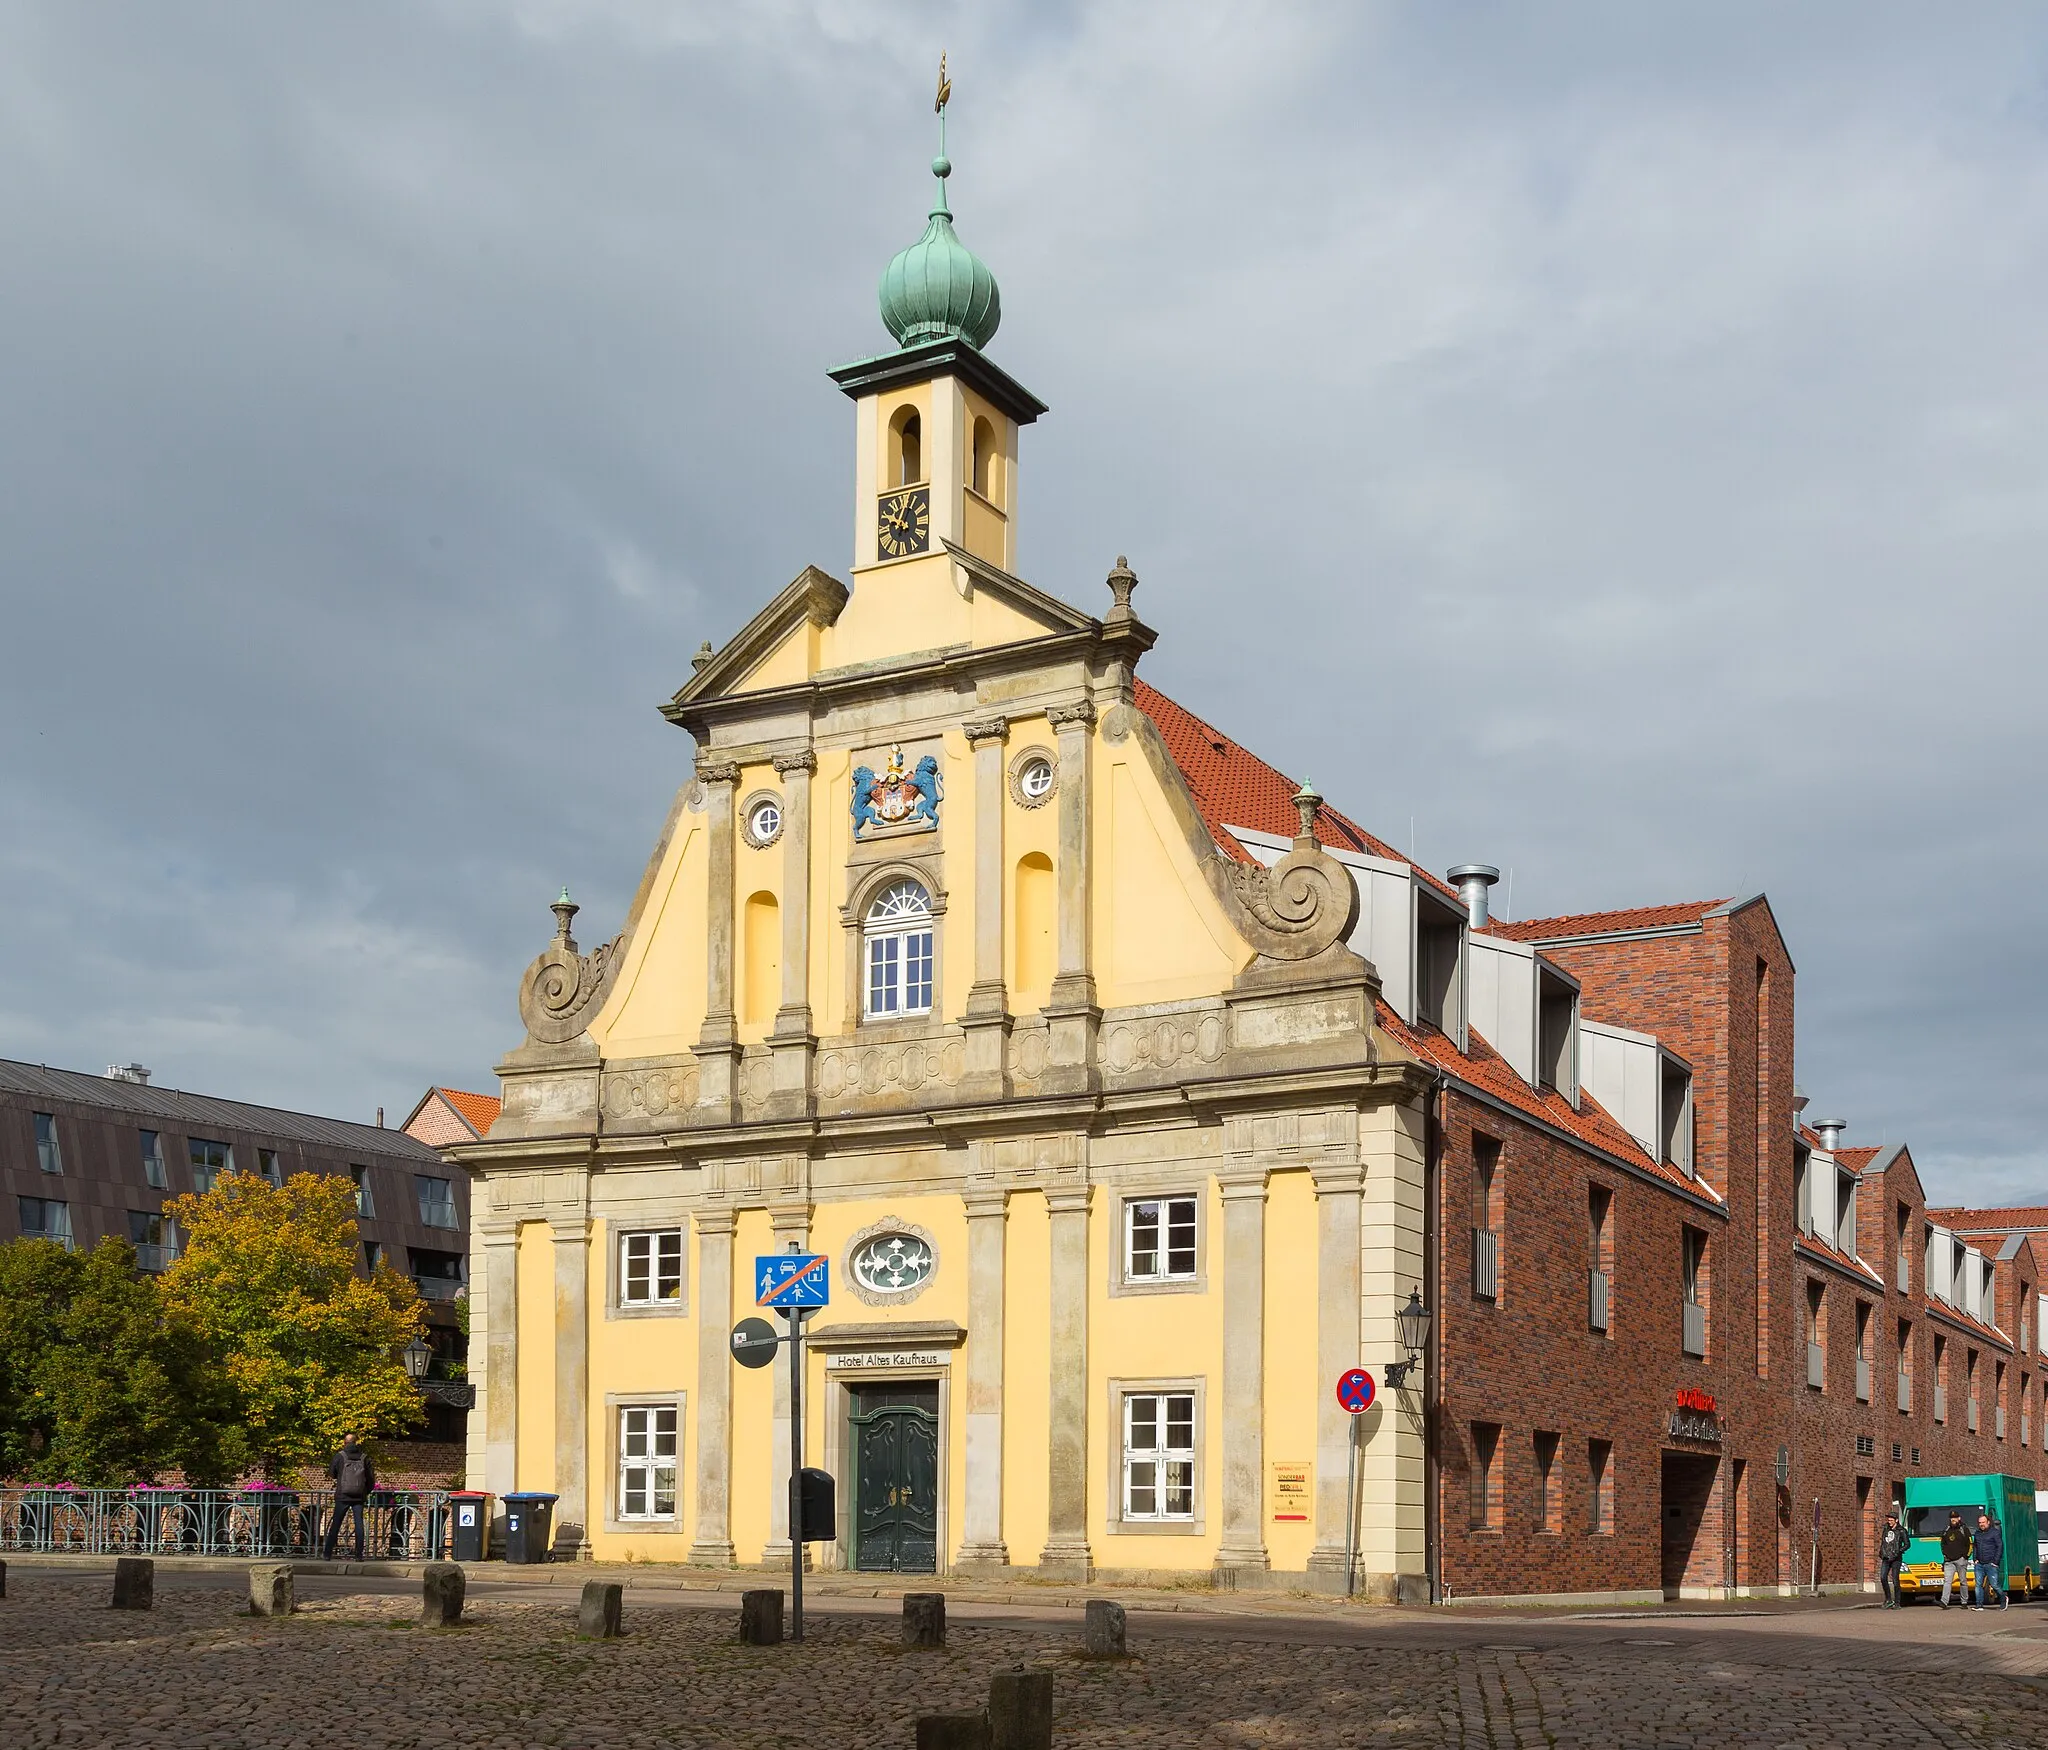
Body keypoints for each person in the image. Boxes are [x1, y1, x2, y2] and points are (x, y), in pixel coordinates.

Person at [322, 1433, 376, 1561]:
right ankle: (358, 1555)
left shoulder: (340, 1456)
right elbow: (371, 1480)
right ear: (356, 1442)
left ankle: (327, 1554)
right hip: (358, 1497)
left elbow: (332, 1474)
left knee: (336, 1524)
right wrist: (364, 1491)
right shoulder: (364, 1457)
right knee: (359, 1525)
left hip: (342, 1495)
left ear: (344, 1443)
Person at [1974, 1511, 2007, 1611]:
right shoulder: (1977, 1533)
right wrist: (1975, 1559)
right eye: (1980, 1523)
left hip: (1991, 1564)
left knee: (1994, 1585)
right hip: (1979, 1564)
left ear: (1988, 1522)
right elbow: (1975, 1546)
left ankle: (2003, 1599)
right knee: (1978, 1585)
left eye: (1983, 1522)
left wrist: (1995, 1562)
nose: (1981, 1524)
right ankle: (1979, 1605)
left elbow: (2000, 1546)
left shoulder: (1994, 1533)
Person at [1940, 1509, 1973, 1608]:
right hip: (1949, 1561)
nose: (1953, 1520)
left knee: (1963, 1581)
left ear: (1959, 1518)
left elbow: (1970, 1544)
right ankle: (1944, 1602)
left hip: (1961, 1560)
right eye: (1951, 1518)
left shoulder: (1964, 1529)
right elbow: (1942, 1544)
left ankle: (1964, 1602)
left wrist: (1966, 1556)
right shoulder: (1946, 1530)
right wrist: (1945, 1555)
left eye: (1955, 1518)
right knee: (1947, 1581)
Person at [1877, 1510, 1910, 1608]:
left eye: (1891, 1520)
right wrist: (1882, 1551)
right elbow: (1884, 1541)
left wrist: (1899, 1551)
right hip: (1886, 1557)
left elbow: (1907, 1544)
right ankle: (1888, 1599)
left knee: (1895, 1580)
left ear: (1896, 1520)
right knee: (1883, 1578)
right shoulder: (1886, 1528)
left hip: (1896, 1558)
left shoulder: (1901, 1530)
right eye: (1889, 1520)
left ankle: (1897, 1602)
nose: (1889, 1521)